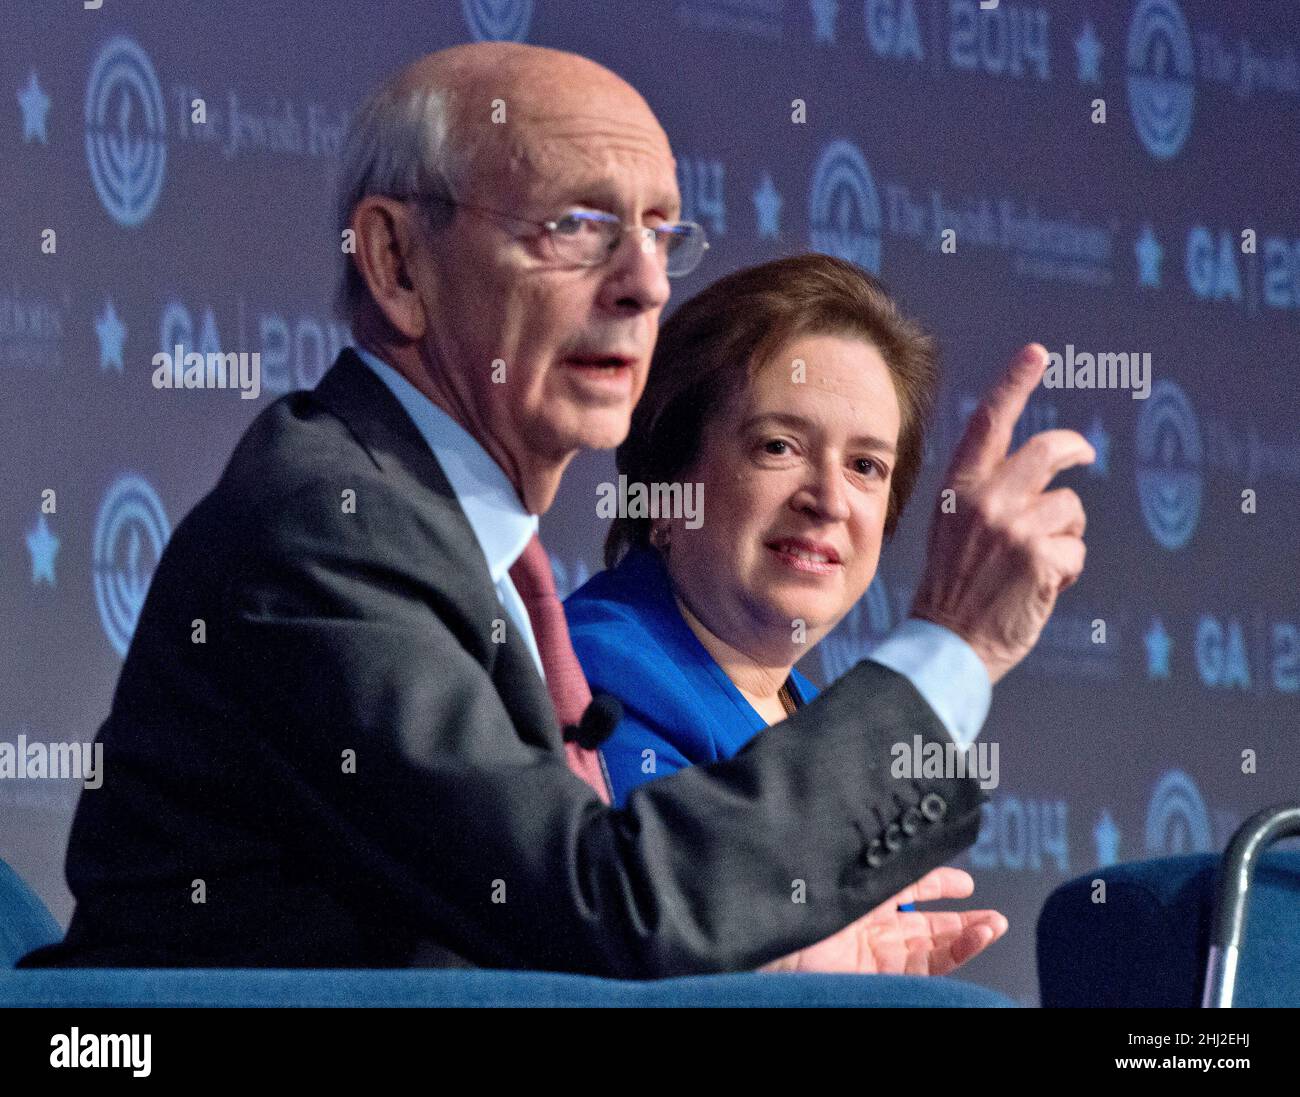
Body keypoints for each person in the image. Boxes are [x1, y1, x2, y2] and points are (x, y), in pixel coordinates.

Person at [19, 42, 1090, 977]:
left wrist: (789, 962)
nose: (641, 286)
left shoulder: (454, 542)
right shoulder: (326, 525)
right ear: (395, 262)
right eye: (576, 226)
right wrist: (949, 642)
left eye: (663, 235)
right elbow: (597, 908)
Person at [566, 253, 1010, 971]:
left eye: (866, 466)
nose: (829, 499)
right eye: (780, 446)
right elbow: (662, 943)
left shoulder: (799, 710)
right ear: (667, 486)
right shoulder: (596, 676)